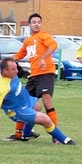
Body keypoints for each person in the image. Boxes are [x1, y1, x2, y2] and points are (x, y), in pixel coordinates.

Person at [0, 57, 76, 145]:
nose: (17, 71)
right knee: (45, 120)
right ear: (5, 71)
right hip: (18, 110)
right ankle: (65, 140)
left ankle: (26, 134)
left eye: (16, 68)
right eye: (13, 69)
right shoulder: (1, 87)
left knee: (37, 107)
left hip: (26, 100)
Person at [4, 13, 60, 143]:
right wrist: (2, 62)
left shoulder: (44, 36)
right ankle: (19, 134)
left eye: (38, 22)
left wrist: (42, 58)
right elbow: (19, 55)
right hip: (33, 76)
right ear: (29, 24)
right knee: (23, 103)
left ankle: (56, 134)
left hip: (46, 73)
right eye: (34, 22)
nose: (36, 24)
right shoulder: (28, 41)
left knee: (47, 102)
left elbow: (53, 46)